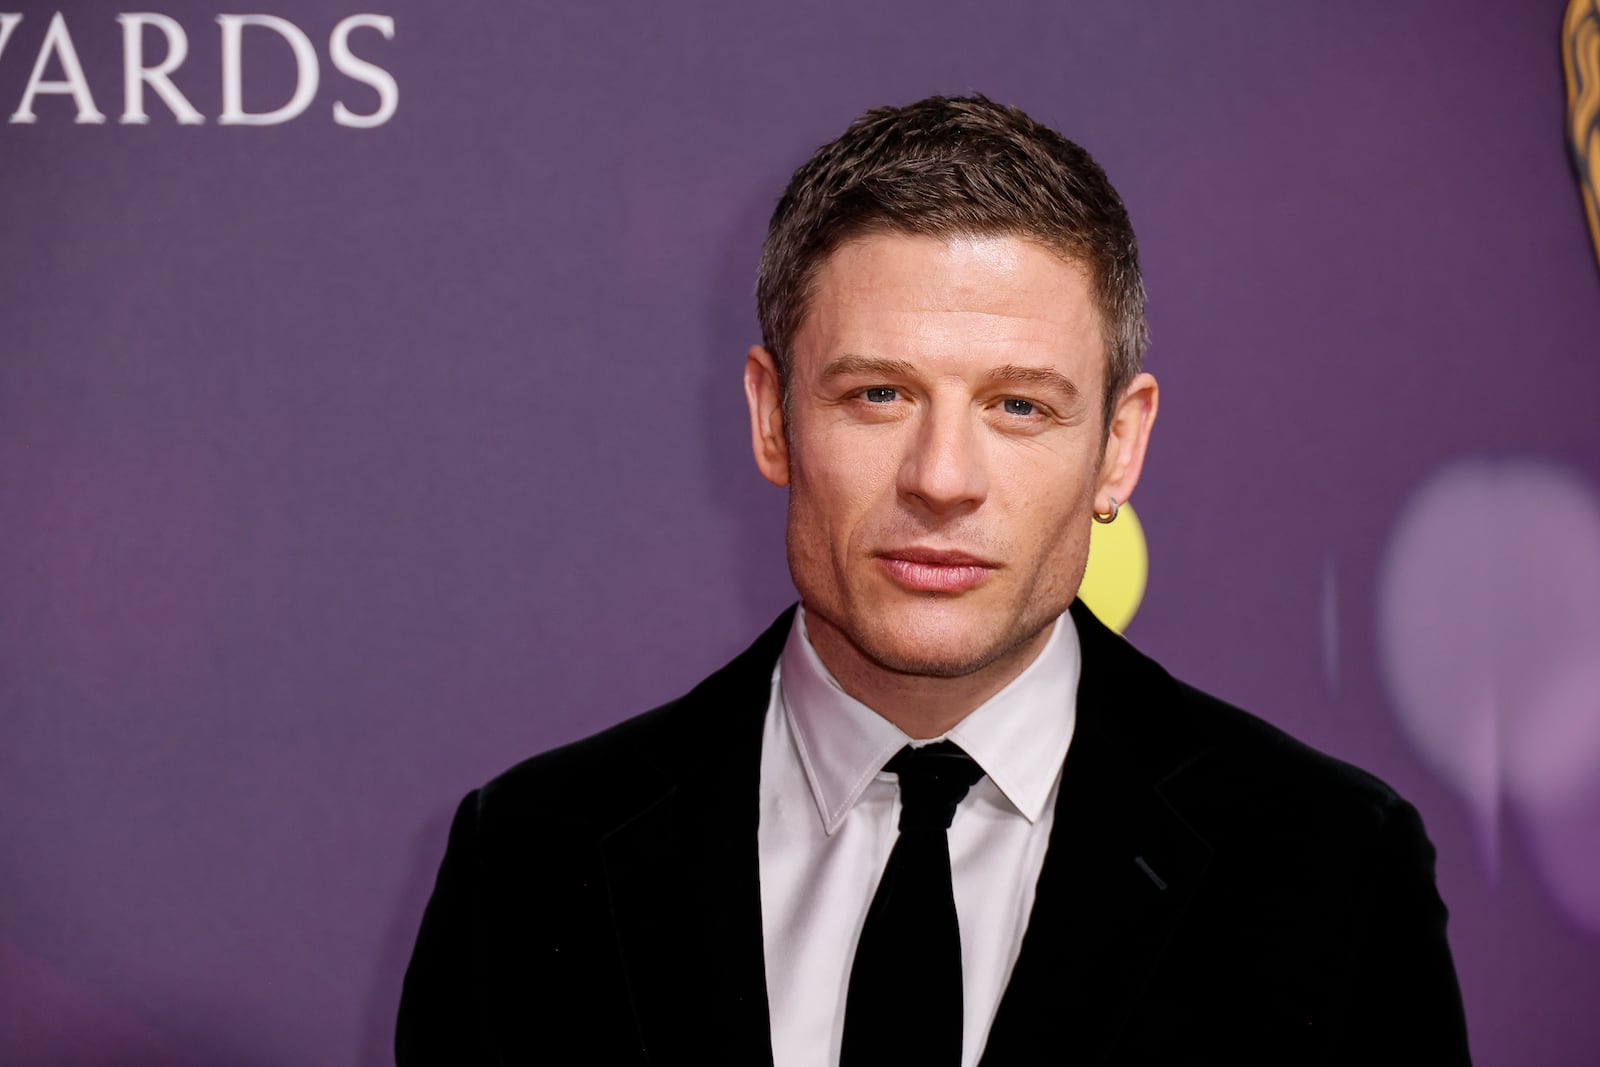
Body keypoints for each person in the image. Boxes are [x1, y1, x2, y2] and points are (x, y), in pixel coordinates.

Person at [395, 96, 1471, 1066]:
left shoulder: (1329, 865)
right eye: (876, 394)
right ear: (772, 416)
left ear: (1119, 446)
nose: (942, 479)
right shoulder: (528, 857)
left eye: (1019, 406)